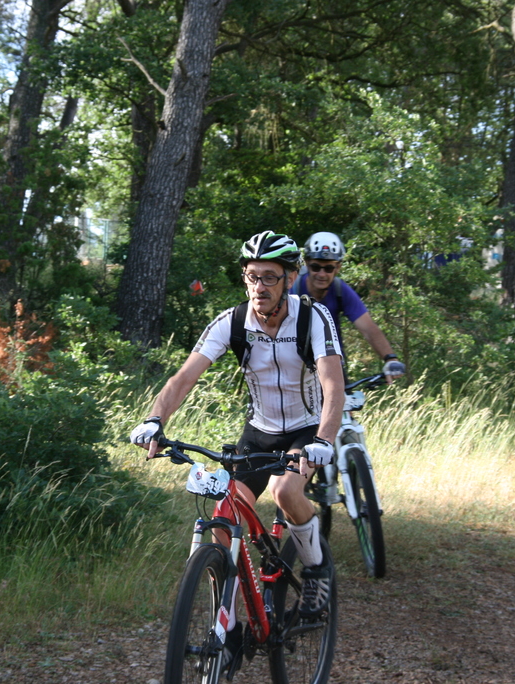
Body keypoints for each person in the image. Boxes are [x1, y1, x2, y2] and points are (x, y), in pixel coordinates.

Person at [130, 230, 344, 674]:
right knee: (225, 514)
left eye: (269, 277)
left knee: (286, 492)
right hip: (259, 431)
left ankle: (316, 568)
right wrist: (155, 420)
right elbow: (183, 378)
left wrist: (324, 440)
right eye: (251, 276)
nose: (259, 286)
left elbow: (332, 384)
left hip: (306, 430)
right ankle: (224, 626)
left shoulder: (313, 317)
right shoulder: (232, 322)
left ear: (289, 279)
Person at [293, 232, 407, 381]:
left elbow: (368, 328)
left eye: (328, 268)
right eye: (315, 267)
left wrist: (390, 359)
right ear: (307, 264)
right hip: (294, 367)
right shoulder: (292, 289)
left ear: (338, 267)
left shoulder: (340, 290)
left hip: (331, 367)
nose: (321, 274)